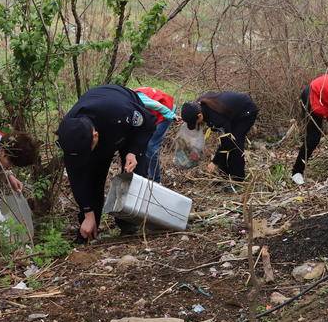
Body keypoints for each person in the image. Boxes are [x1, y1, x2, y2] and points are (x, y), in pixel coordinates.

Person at [56, 85, 156, 242]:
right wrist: (88, 212)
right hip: (100, 128)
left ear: (95, 136)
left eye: (86, 151)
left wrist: (133, 151)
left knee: (134, 172)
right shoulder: (70, 135)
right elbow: (77, 178)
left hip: (126, 124)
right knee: (93, 175)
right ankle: (90, 229)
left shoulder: (121, 112)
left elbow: (148, 123)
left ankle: (128, 224)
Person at [180, 91, 258, 183]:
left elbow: (227, 140)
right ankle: (224, 175)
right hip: (233, 113)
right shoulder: (198, 106)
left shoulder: (216, 117)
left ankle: (238, 180)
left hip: (246, 112)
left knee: (235, 144)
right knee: (225, 145)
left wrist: (214, 161)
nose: (196, 125)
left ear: (199, 116)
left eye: (195, 122)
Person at [133, 86, 177, 182]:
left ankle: (155, 181)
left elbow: (158, 106)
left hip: (165, 112)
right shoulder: (129, 101)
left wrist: (172, 115)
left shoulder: (139, 100)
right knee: (143, 143)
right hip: (154, 114)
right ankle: (144, 174)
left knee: (151, 146)